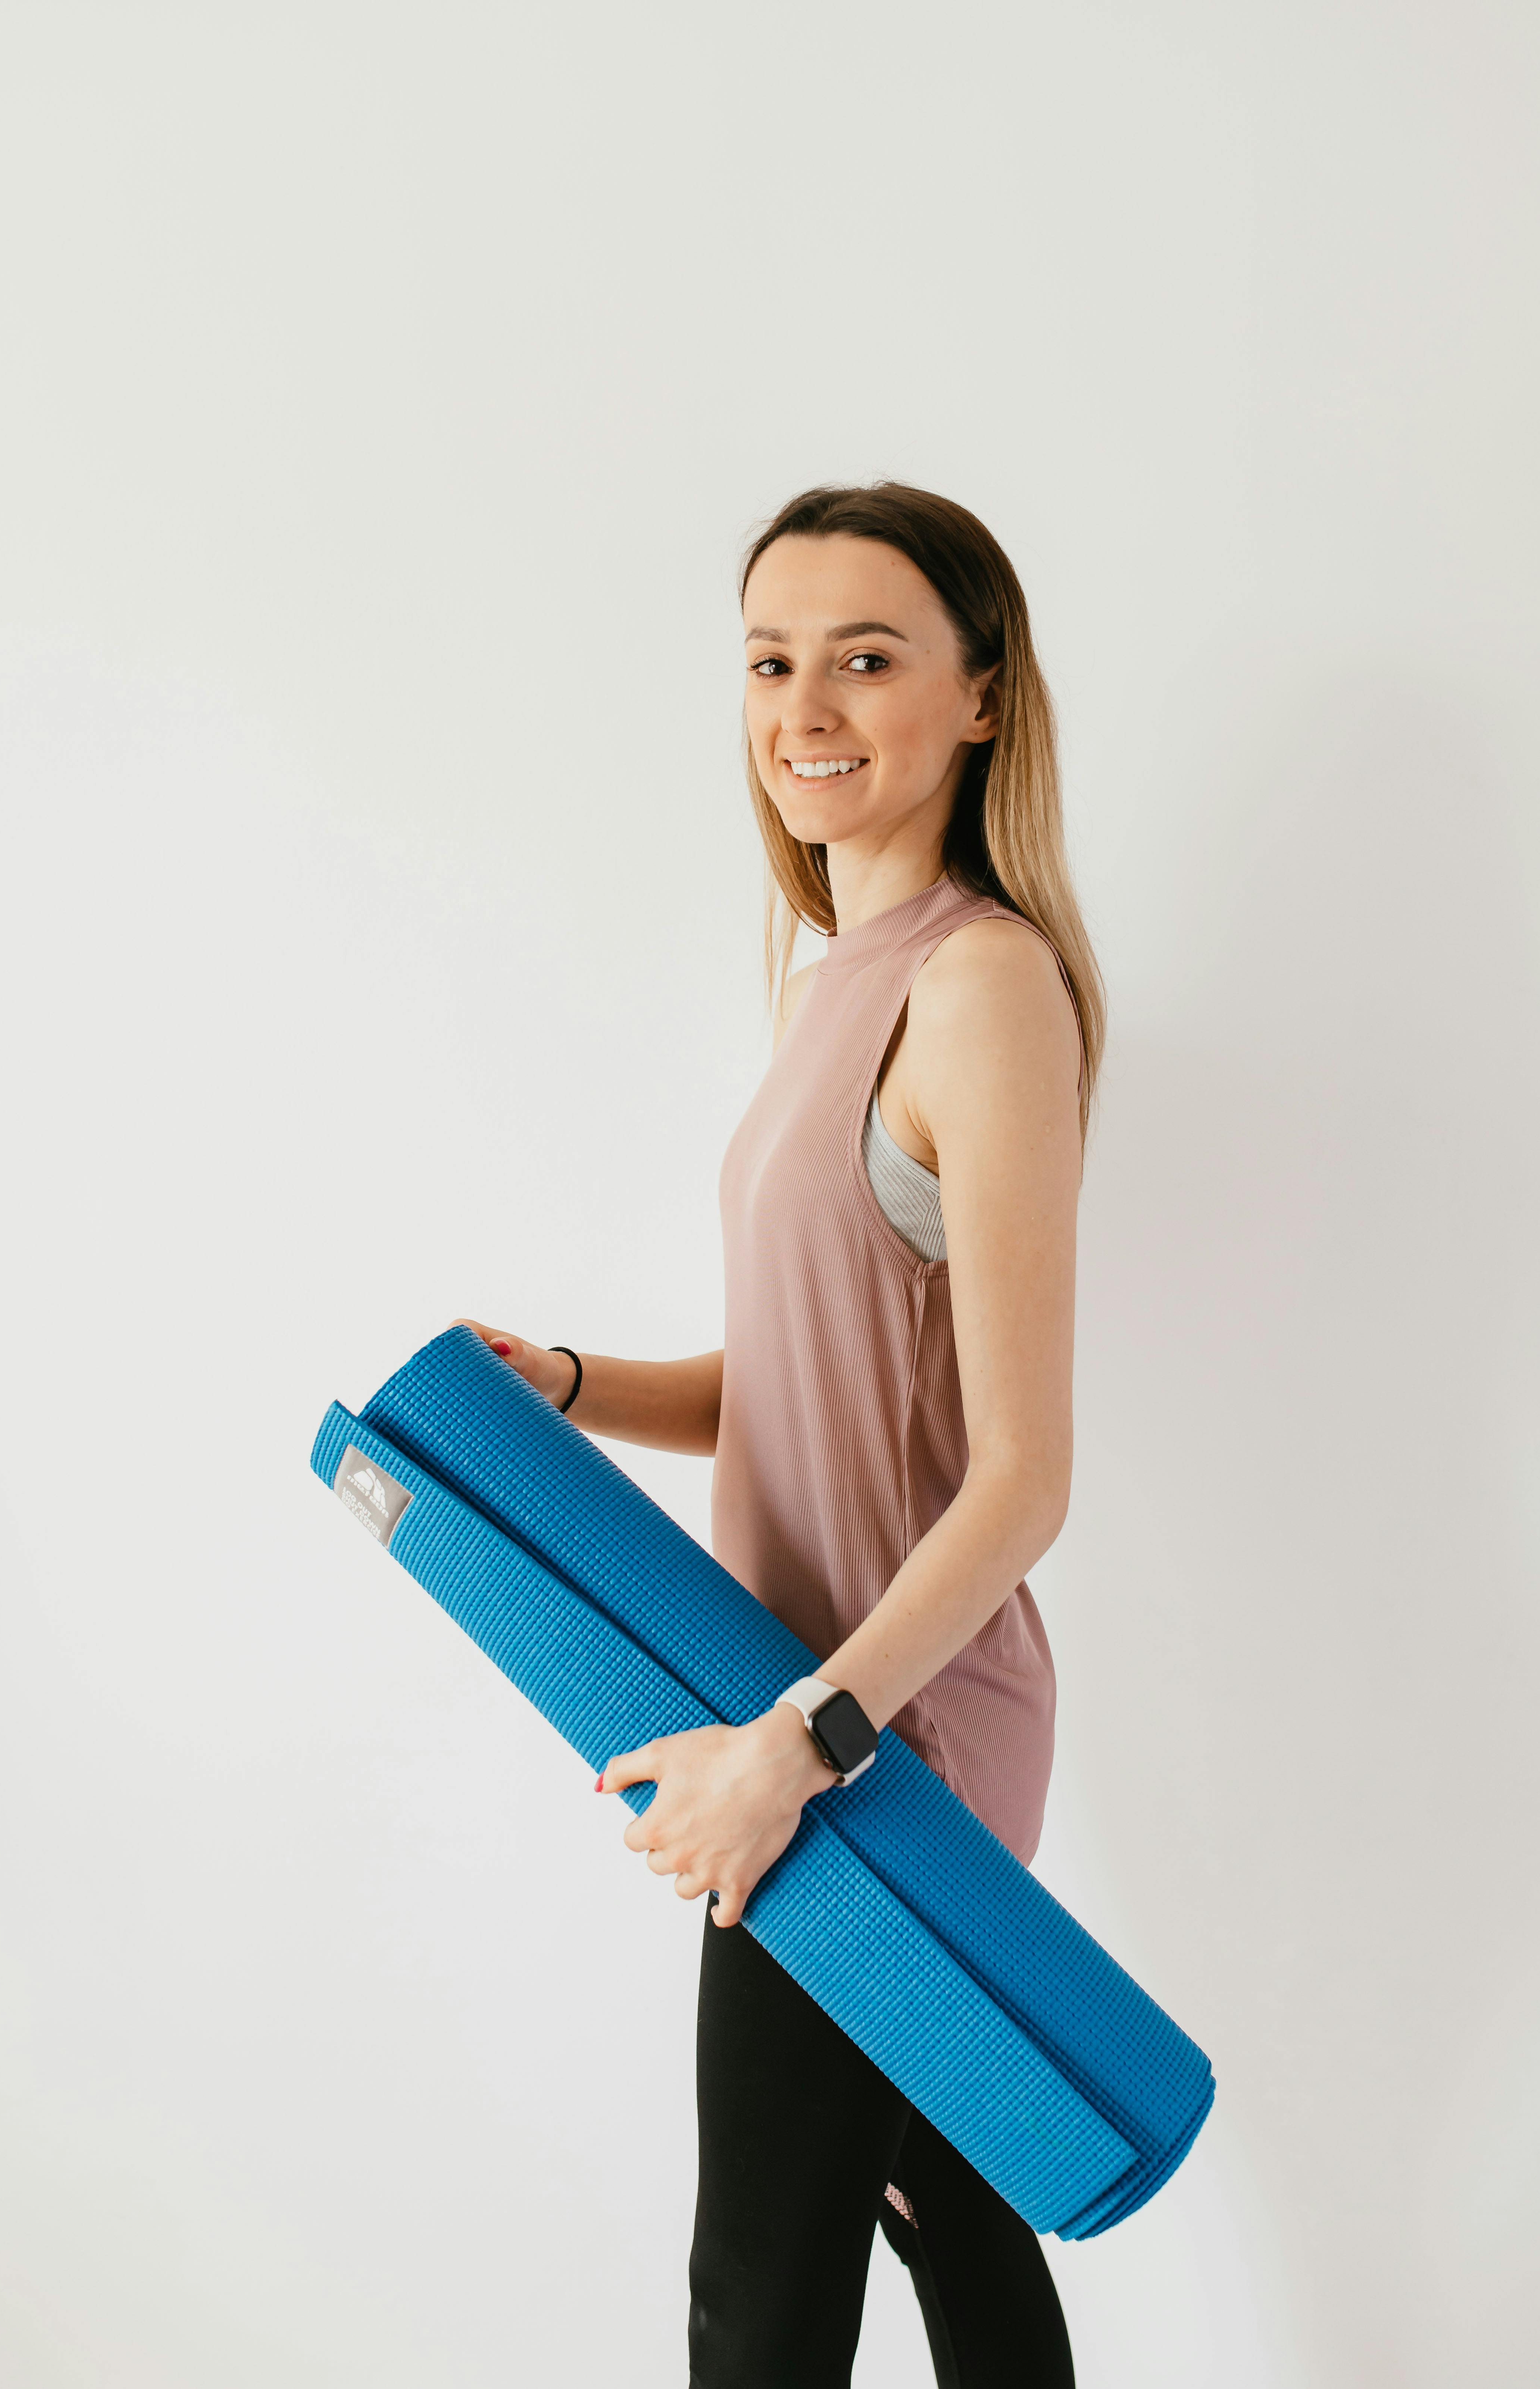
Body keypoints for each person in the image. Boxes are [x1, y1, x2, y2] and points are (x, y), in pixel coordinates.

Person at [458, 481, 1103, 2387]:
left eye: (868, 656)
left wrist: (801, 1748)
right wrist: (571, 1384)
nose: (806, 703)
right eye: (770, 659)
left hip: (880, 1729)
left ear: (981, 699)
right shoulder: (840, 978)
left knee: (765, 2274)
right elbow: (811, 1369)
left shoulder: (980, 985)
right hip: (798, 1706)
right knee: (936, 2197)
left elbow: (1019, 1473)